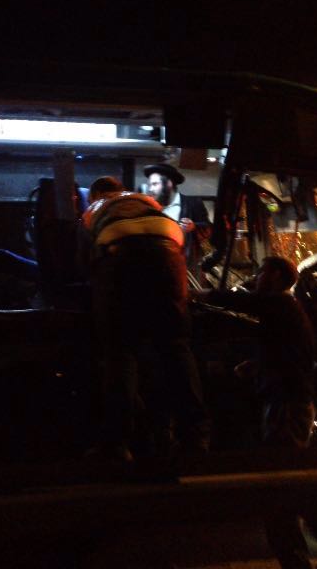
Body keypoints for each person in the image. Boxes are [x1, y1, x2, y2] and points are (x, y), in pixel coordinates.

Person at [202, 256, 317, 569]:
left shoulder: (280, 303)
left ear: (276, 276)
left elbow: (242, 303)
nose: (256, 278)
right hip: (290, 405)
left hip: (286, 408)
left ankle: (309, 556)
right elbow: (289, 354)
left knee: (281, 485)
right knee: (292, 483)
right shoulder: (287, 311)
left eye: (262, 272)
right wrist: (257, 367)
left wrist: (198, 295)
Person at [83, 176, 210, 460]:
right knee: (176, 347)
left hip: (121, 255)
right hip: (169, 254)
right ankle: (195, 436)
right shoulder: (147, 202)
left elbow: (83, 259)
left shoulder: (96, 207)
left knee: (121, 351)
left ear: (95, 194)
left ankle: (116, 443)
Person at [144, 163, 212, 276]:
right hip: (157, 272)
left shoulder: (192, 204)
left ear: (169, 183)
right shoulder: (149, 210)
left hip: (188, 271)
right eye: (149, 185)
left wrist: (193, 226)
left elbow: (209, 229)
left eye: (155, 184)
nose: (150, 189)